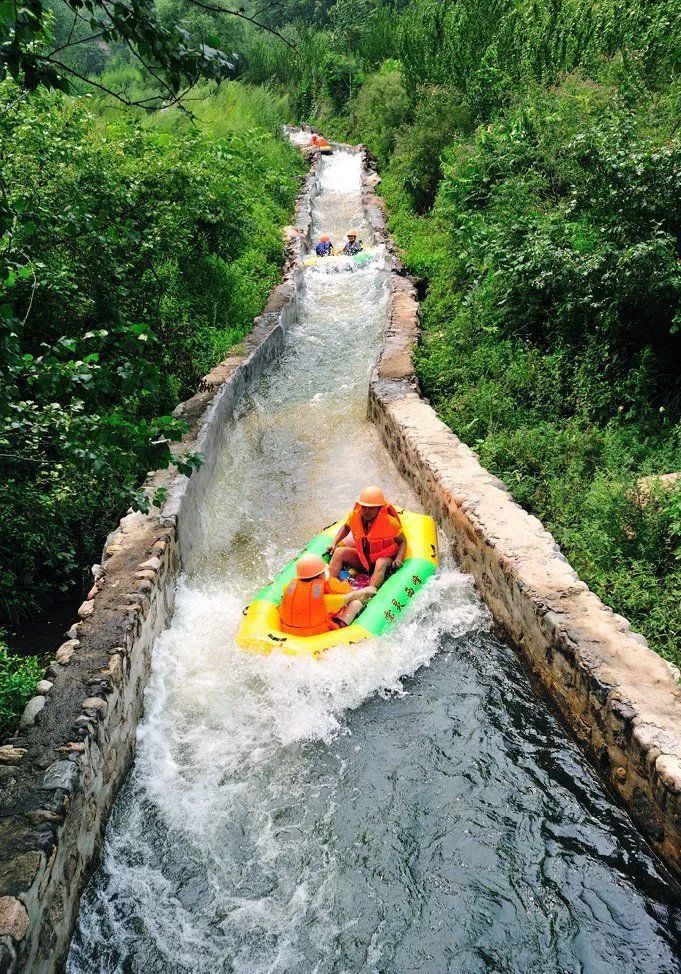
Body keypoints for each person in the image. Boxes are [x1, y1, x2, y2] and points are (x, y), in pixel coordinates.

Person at [329, 486, 407, 589]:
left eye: (371, 508)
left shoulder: (390, 522)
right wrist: (334, 543)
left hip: (384, 560)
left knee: (381, 562)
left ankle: (366, 596)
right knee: (339, 552)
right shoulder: (354, 516)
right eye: (364, 507)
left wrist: (398, 558)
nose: (366, 511)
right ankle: (329, 586)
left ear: (379, 508)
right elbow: (346, 527)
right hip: (363, 560)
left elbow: (402, 541)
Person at [279, 553, 375, 637]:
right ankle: (342, 630)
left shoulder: (287, 588)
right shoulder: (325, 601)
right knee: (356, 604)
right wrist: (365, 590)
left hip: (290, 633)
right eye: (324, 572)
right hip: (319, 637)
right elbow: (350, 597)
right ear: (320, 576)